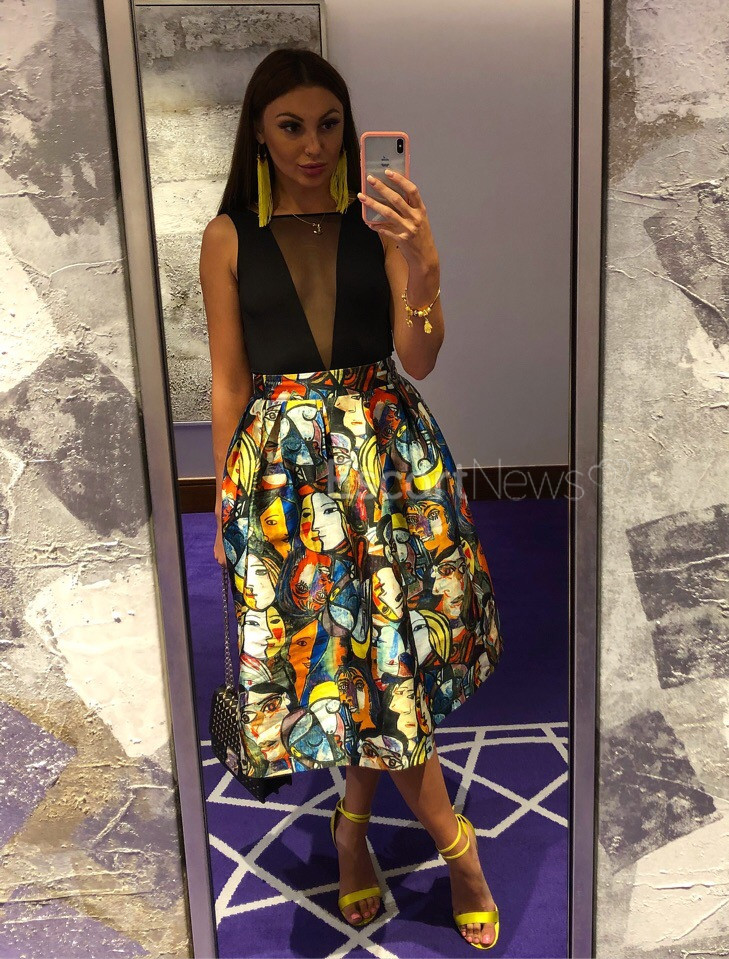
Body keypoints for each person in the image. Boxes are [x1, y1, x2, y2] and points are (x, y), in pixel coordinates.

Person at [199, 47, 504, 949]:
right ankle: (452, 847)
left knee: (388, 657)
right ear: (258, 132)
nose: (313, 145)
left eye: (329, 124)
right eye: (291, 125)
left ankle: (356, 830)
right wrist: (225, 504)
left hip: (389, 461)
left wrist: (424, 262)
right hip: (287, 479)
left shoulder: (379, 223)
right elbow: (228, 381)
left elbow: (421, 358)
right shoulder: (227, 238)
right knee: (349, 659)